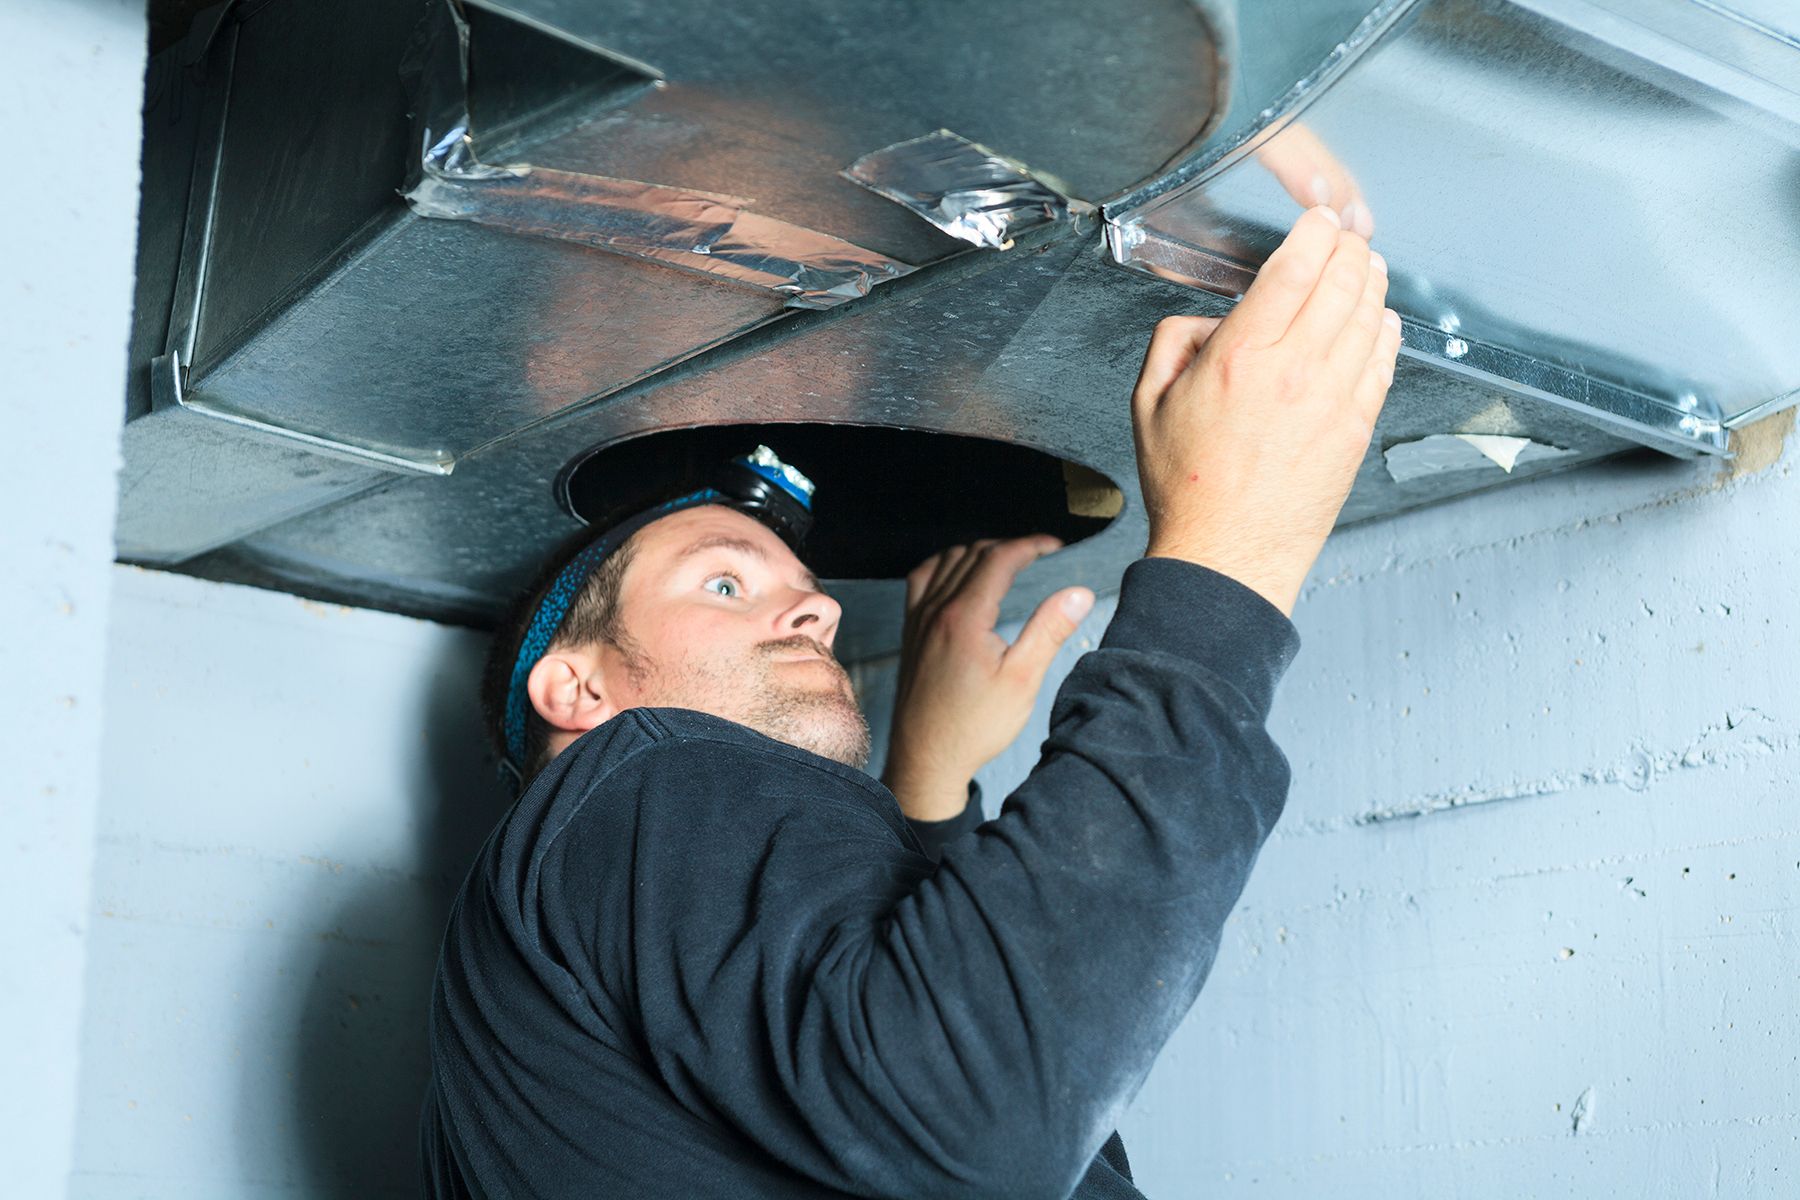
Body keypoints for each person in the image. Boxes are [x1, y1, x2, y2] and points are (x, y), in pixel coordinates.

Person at [420, 204, 1401, 1198]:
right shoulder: (628, 778)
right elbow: (977, 1112)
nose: (813, 610)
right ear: (577, 687)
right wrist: (1225, 560)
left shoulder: (580, 938)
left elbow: (976, 1117)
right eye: (726, 583)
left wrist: (925, 800)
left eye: (809, 593)